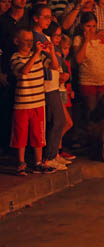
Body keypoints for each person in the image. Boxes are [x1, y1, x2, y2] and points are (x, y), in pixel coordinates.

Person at [10, 28, 56, 175]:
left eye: (31, 41)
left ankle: (38, 162)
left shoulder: (39, 56)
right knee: (21, 134)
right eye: (27, 41)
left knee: (38, 134)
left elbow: (54, 66)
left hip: (38, 101)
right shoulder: (15, 57)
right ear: (17, 41)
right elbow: (24, 70)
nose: (30, 44)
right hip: (23, 102)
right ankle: (21, 162)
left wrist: (52, 52)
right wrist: (36, 53)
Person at [31, 6, 67, 171]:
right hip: (46, 83)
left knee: (57, 119)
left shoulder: (44, 36)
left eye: (50, 17)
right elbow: (53, 63)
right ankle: (49, 156)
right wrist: (56, 58)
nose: (48, 20)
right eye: (45, 17)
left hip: (52, 83)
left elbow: (57, 63)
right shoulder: (37, 37)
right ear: (36, 18)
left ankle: (53, 155)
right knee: (57, 120)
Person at [74, 12, 104, 119]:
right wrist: (86, 41)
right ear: (82, 26)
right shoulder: (78, 39)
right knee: (91, 112)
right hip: (88, 81)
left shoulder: (101, 38)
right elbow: (78, 59)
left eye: (94, 26)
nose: (91, 29)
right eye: (88, 26)